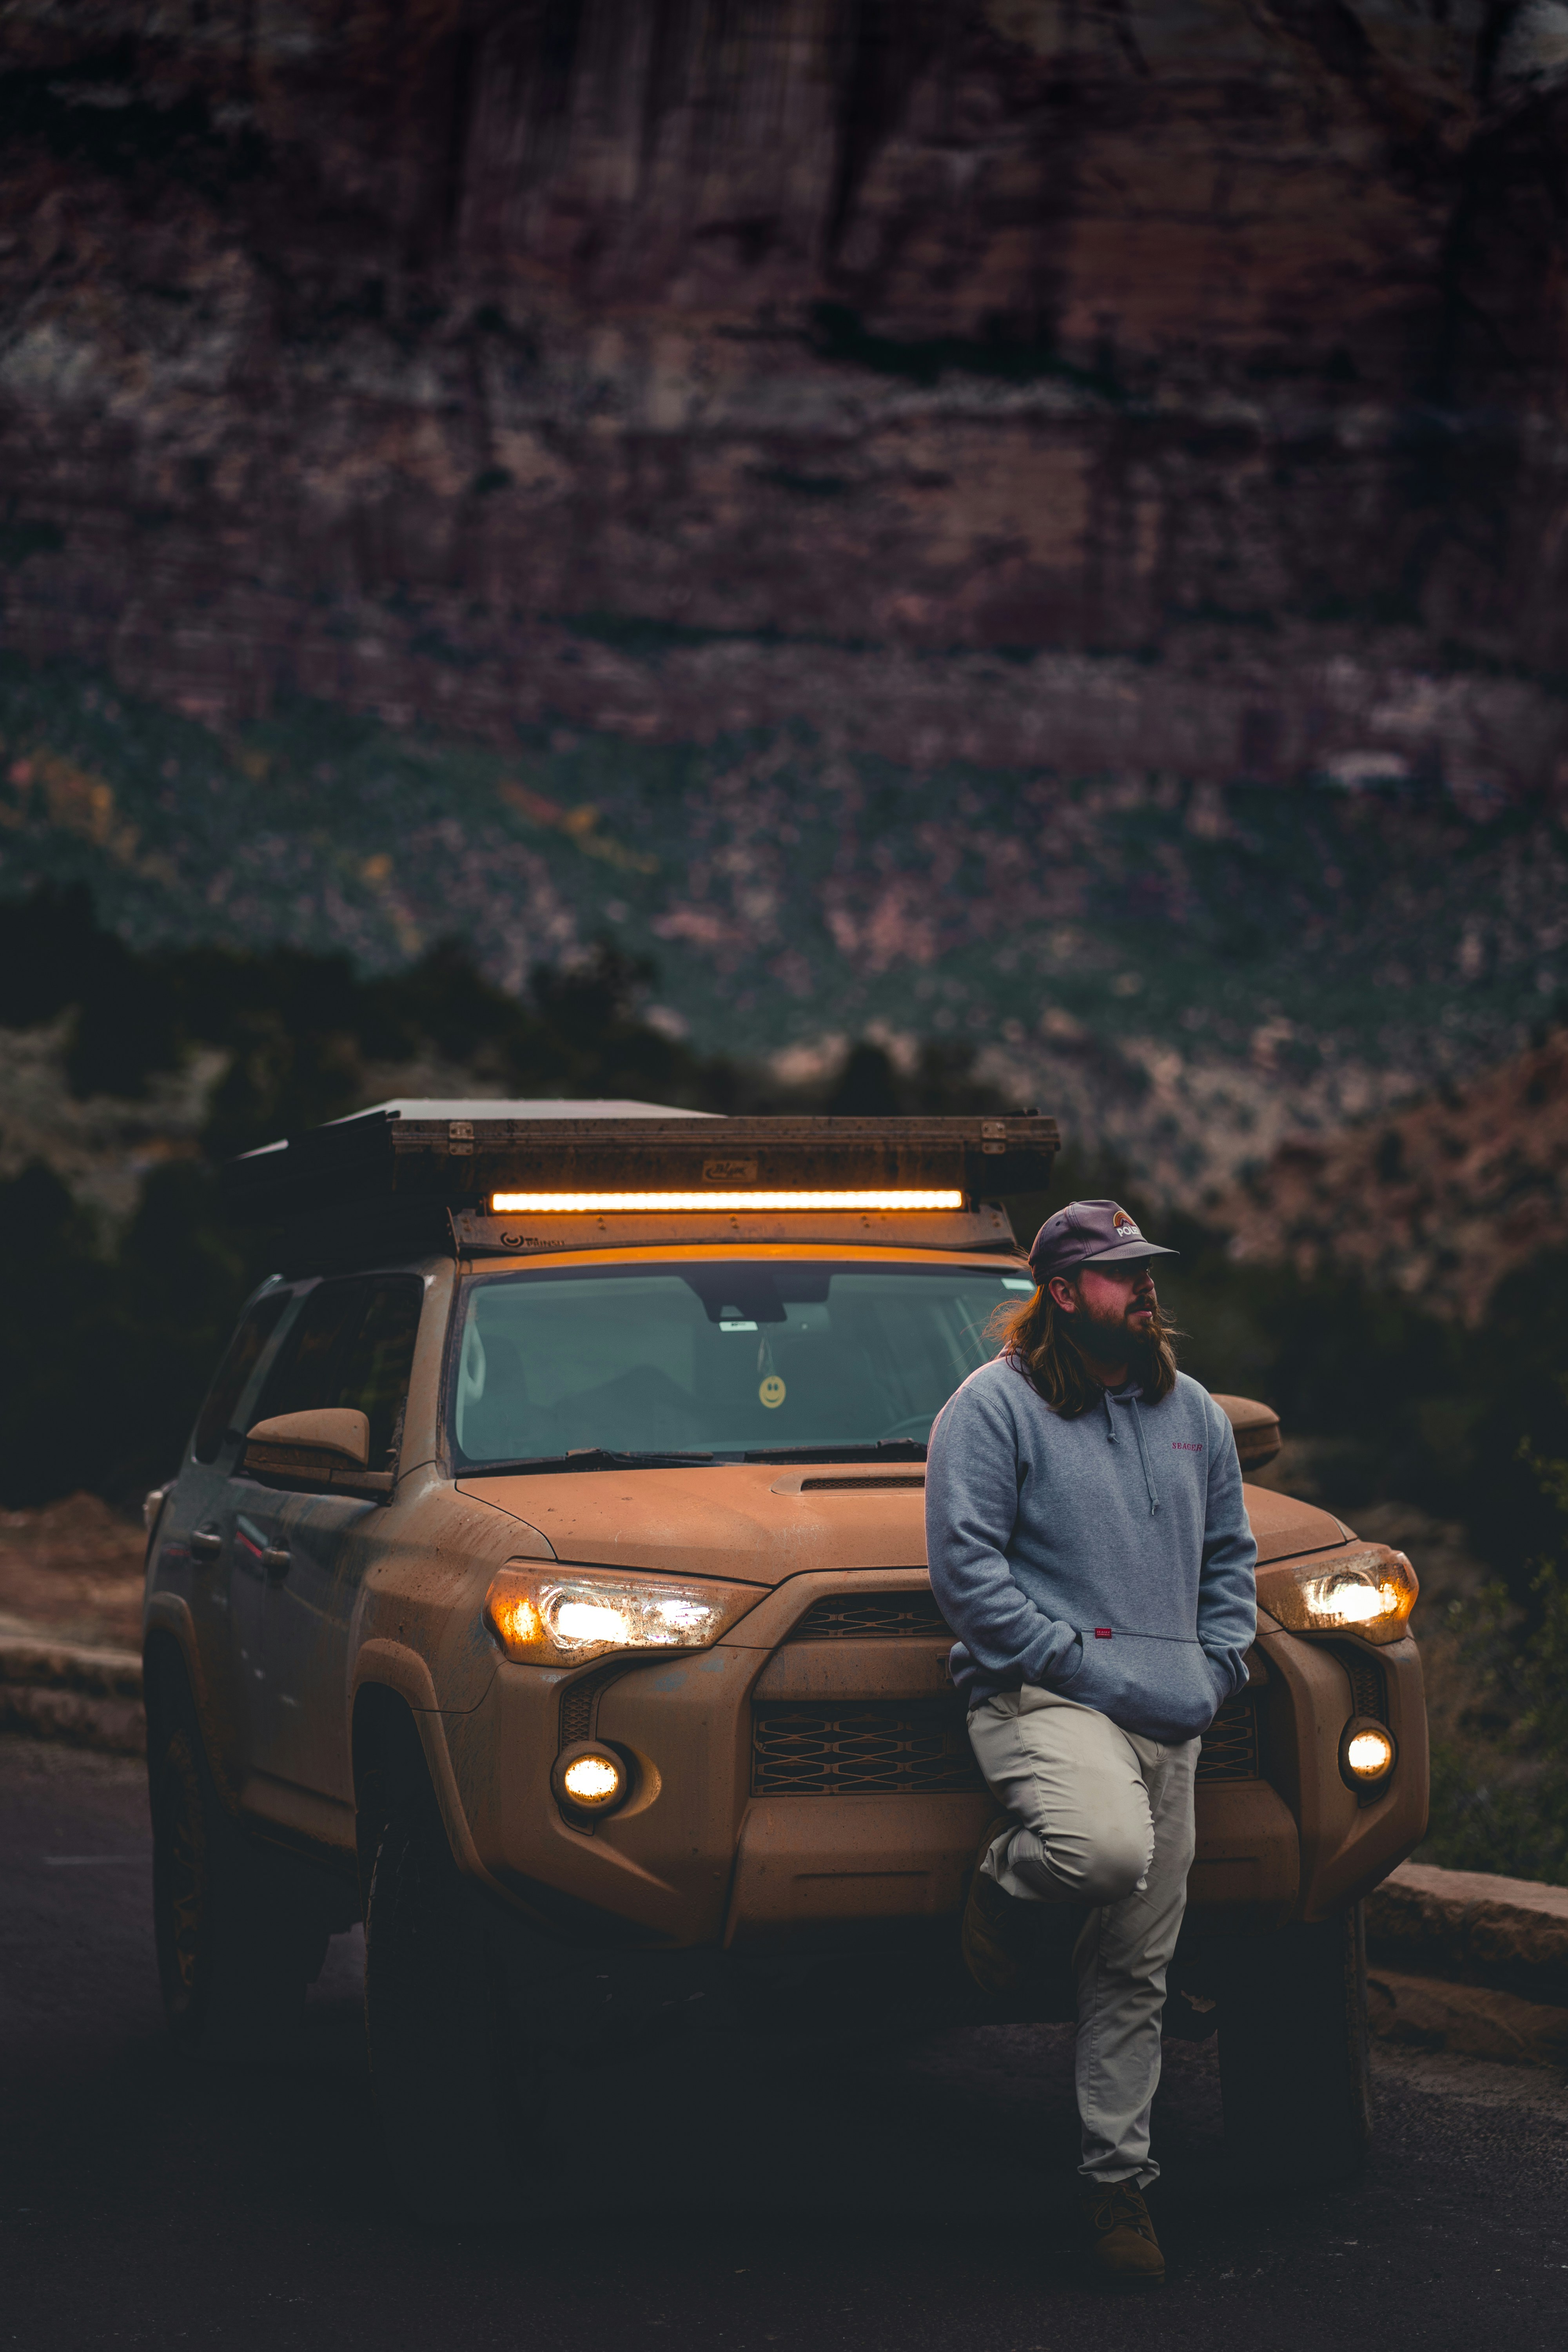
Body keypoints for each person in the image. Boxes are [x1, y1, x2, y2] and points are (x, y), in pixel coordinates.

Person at [925, 1198, 1257, 2292]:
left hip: (1175, 1710)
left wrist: (1215, 1668)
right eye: (1120, 1275)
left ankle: (1119, 2186)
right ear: (1063, 1295)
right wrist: (1088, 1665)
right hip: (1045, 1695)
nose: (1145, 1289)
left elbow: (1231, 1567)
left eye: (1147, 1270)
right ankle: (1007, 1885)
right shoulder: (992, 1411)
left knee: (1138, 1962)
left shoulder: (1192, 1411)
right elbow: (970, 1581)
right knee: (1101, 1852)